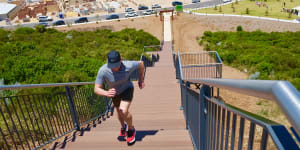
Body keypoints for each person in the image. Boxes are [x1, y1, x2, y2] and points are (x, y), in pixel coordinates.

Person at [94, 50, 145, 145]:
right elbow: (96, 89)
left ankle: (131, 129)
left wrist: (141, 79)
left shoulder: (128, 65)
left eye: (116, 65)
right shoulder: (103, 70)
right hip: (114, 93)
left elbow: (141, 64)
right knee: (118, 112)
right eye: (112, 66)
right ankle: (123, 127)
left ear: (121, 60)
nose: (114, 69)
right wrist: (106, 93)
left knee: (123, 110)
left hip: (127, 89)